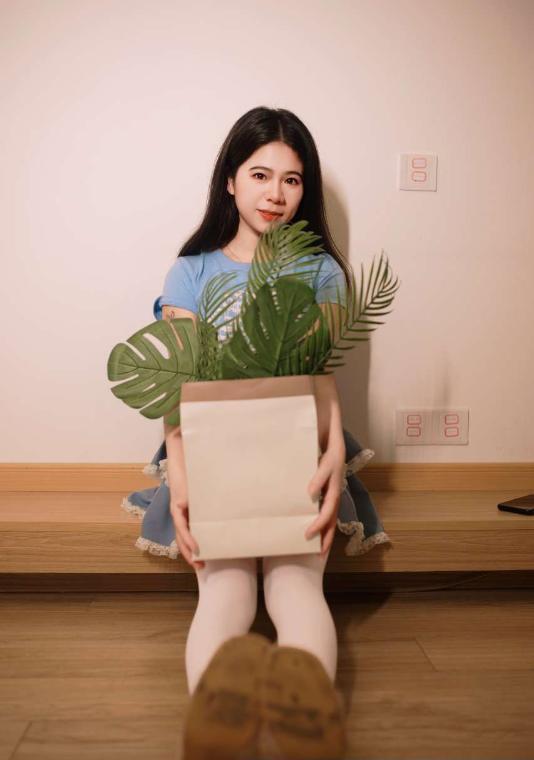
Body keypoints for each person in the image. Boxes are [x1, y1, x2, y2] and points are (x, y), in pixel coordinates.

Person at [121, 106, 392, 756]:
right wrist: (181, 475)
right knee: (226, 587)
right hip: (210, 453)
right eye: (260, 174)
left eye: (292, 180)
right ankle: (218, 727)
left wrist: (332, 457)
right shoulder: (191, 271)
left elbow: (320, 377)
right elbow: (178, 383)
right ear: (230, 181)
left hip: (298, 448)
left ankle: (306, 723)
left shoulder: (321, 271)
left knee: (296, 584)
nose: (276, 193)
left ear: (305, 190)